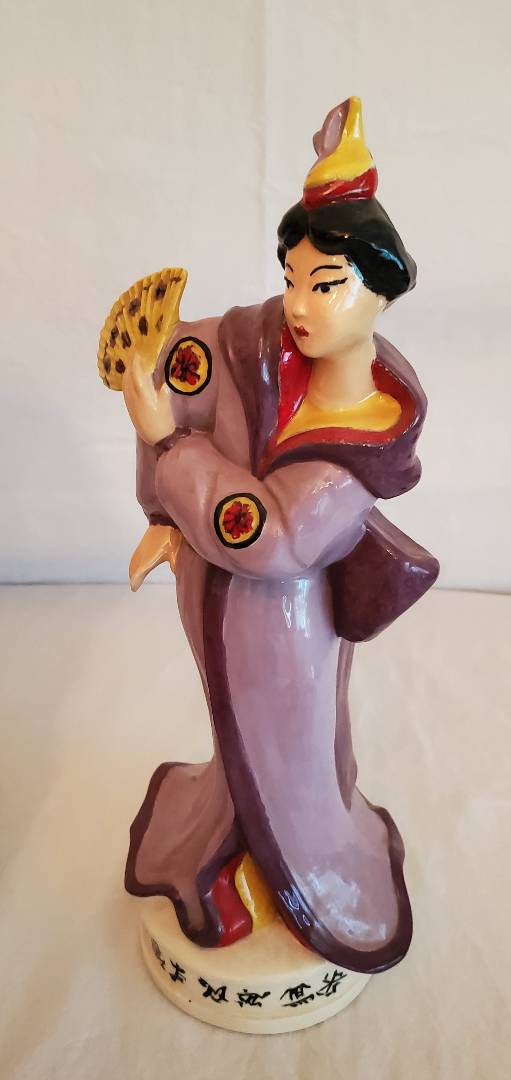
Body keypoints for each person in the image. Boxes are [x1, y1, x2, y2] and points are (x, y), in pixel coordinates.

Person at [118, 98, 438, 973]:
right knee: (238, 746)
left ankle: (296, 877)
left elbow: (268, 538)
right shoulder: (262, 344)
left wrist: (169, 449)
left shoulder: (364, 442)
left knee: (285, 756)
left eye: (324, 284)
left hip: (284, 621)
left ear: (381, 288)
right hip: (210, 596)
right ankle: (223, 849)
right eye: (290, 276)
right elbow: (182, 362)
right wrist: (161, 506)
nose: (296, 303)